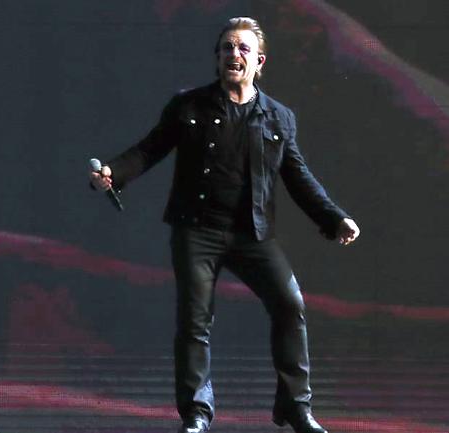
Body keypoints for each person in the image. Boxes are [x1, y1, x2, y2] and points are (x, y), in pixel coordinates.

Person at [89, 17, 359, 433]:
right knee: (195, 321)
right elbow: (149, 149)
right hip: (197, 230)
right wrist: (113, 172)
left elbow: (299, 176)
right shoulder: (189, 106)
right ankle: (197, 414)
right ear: (217, 59)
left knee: (291, 305)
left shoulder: (277, 118)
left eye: (243, 49)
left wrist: (334, 216)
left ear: (259, 60)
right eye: (226, 49)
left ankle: (295, 407)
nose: (233, 55)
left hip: (252, 234)